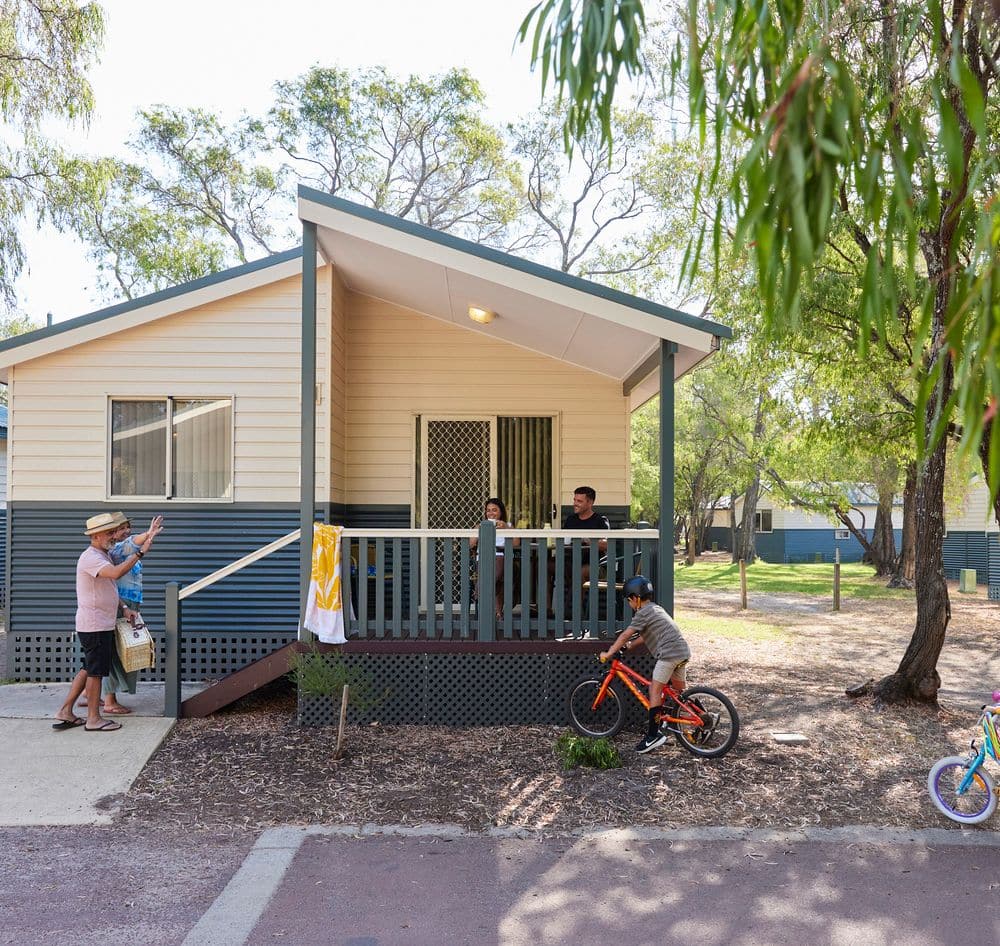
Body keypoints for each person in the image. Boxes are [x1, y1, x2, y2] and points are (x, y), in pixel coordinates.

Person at [52, 512, 155, 732]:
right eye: (109, 533)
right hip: (95, 624)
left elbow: (109, 588)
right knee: (96, 672)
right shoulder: (91, 557)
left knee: (89, 668)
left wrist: (125, 608)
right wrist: (140, 553)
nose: (114, 536)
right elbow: (117, 573)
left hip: (102, 623)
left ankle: (65, 711)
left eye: (113, 532)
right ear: (96, 535)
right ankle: (93, 719)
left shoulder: (102, 554)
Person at [80, 514, 164, 714]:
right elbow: (130, 546)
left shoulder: (109, 552)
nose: (126, 531)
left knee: (108, 654)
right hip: (119, 604)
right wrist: (146, 537)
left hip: (125, 603)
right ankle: (109, 700)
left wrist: (147, 536)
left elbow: (132, 544)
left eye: (128, 526)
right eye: (121, 528)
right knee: (115, 653)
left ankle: (88, 693)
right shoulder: (114, 551)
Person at [599, 575, 691, 754]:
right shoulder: (655, 609)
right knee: (680, 694)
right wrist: (630, 647)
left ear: (636, 599)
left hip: (669, 654)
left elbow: (626, 634)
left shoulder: (643, 612)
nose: (629, 604)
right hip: (682, 652)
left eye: (629, 601)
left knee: (654, 691)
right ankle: (697, 721)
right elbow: (645, 635)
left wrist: (609, 653)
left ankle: (653, 736)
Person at [561, 485, 610, 615]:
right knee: (544, 565)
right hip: (570, 561)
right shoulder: (571, 520)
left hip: (595, 565)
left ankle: (578, 614)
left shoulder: (600, 521)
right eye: (574, 500)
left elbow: (606, 545)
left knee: (580, 571)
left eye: (579, 501)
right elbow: (565, 541)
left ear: (590, 502)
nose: (575, 504)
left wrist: (588, 540)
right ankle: (547, 611)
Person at [469, 498, 512, 618]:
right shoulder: (481, 526)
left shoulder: (507, 525)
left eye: (494, 510)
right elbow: (471, 544)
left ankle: (480, 591)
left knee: (494, 568)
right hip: (482, 558)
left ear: (501, 512)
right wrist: (477, 530)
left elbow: (516, 543)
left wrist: (506, 529)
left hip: (501, 557)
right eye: (488, 510)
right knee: (491, 576)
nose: (491, 513)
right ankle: (497, 613)